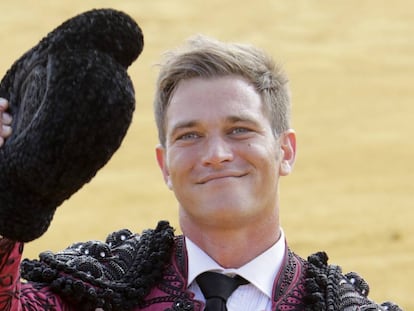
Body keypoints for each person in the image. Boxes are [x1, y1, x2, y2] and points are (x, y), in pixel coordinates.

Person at [0, 35, 402, 311]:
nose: (215, 154)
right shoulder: (96, 290)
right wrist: (8, 197)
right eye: (189, 135)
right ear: (165, 165)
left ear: (285, 151)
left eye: (239, 130)